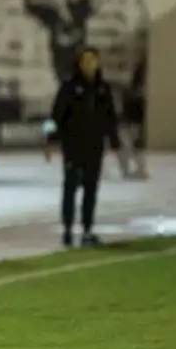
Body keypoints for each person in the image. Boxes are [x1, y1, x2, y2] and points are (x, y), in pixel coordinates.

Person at [51, 47, 122, 247]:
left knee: (91, 189)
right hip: (73, 146)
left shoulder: (103, 89)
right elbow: (55, 115)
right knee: (70, 188)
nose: (90, 65)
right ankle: (67, 229)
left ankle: (87, 230)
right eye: (86, 61)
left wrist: (114, 140)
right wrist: (50, 139)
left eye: (93, 61)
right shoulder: (69, 87)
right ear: (79, 64)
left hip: (95, 146)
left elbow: (110, 116)